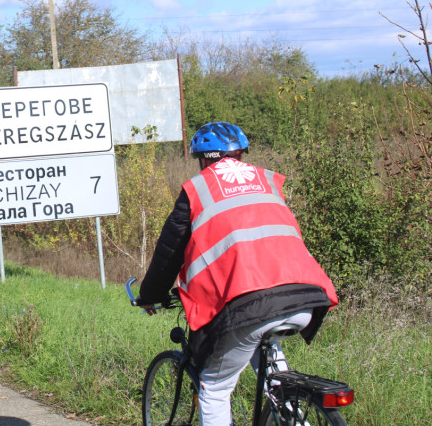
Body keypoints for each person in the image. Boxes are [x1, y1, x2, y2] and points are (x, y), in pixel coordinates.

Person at [136, 122, 338, 426]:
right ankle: (291, 413)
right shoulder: (266, 181)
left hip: (250, 302)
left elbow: (170, 251)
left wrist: (150, 294)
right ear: (240, 154)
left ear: (203, 160)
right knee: (266, 357)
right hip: (305, 296)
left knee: (214, 387)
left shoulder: (198, 189)